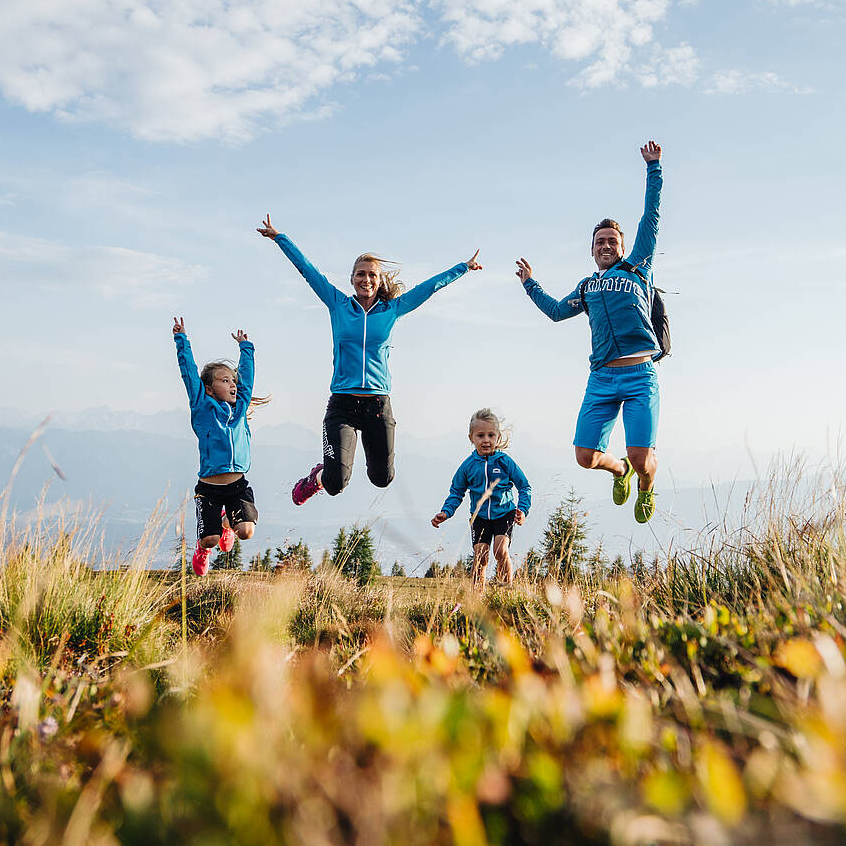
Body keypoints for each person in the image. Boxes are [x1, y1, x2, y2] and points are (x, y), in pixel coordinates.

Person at [258, 215, 481, 503]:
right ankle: (317, 477)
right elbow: (307, 269)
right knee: (335, 482)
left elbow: (430, 287)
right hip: (343, 403)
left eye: (372, 275)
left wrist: (464, 267)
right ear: (352, 279)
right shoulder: (337, 303)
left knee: (382, 479)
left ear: (379, 280)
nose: (366, 279)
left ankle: (341, 466)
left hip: (378, 404)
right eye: (361, 274)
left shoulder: (392, 309)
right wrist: (280, 238)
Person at [515, 140, 665, 523]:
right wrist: (531, 284)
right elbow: (554, 312)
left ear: (624, 247)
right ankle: (620, 472)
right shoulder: (586, 287)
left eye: (612, 241)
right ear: (592, 250)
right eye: (600, 242)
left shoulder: (637, 268)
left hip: (638, 375)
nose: (606, 246)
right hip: (601, 378)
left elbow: (651, 217)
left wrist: (653, 168)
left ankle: (645, 484)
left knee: (641, 456)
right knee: (585, 457)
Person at [174, 319, 264, 575]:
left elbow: (247, 380)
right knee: (210, 540)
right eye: (225, 381)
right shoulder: (202, 407)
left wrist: (246, 348)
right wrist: (182, 341)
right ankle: (202, 548)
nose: (232, 384)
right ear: (209, 389)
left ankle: (227, 525)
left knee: (245, 532)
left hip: (237, 485)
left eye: (233, 380)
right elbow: (189, 373)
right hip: (209, 489)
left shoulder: (240, 409)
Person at [432, 408, 531, 584]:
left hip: (504, 513)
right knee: (481, 557)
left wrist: (522, 510)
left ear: (497, 437)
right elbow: (456, 492)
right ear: (471, 438)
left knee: (500, 551)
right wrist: (445, 512)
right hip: (479, 516)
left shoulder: (505, 462)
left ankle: (505, 589)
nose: (486, 440)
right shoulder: (468, 466)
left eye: (491, 435)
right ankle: (477, 599)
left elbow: (524, 486)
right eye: (480, 435)